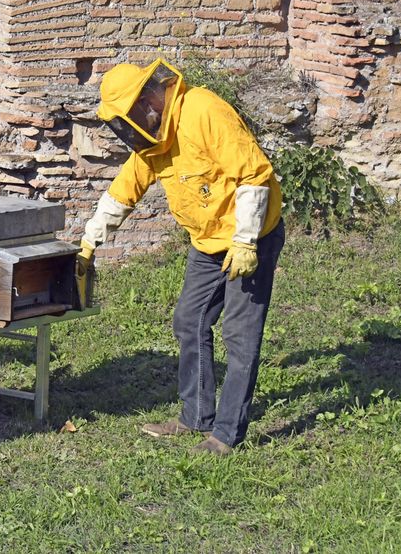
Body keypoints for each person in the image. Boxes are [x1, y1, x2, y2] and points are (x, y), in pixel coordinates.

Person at [77, 57, 284, 455]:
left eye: (131, 115)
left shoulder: (203, 110)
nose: (128, 126)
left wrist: (245, 241)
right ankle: (195, 417)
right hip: (207, 242)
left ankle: (225, 435)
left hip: (251, 235)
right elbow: (125, 191)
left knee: (239, 337)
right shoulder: (152, 140)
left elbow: (254, 175)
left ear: (149, 97)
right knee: (189, 322)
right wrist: (90, 241)